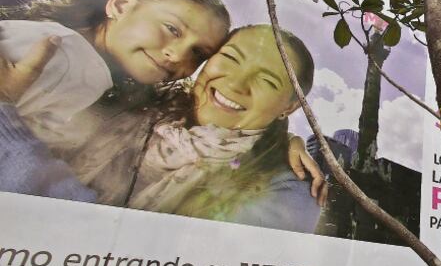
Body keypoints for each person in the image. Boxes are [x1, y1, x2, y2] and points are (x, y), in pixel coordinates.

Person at [0, 25, 324, 233]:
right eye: (230, 58)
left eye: (267, 81)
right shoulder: (140, 108)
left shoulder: (287, 189)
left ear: (289, 107)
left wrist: (5, 119)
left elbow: (90, 245)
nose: (237, 83)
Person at [0, 0, 230, 148]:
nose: (178, 55)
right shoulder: (57, 54)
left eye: (198, 53)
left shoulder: (86, 69)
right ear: (121, 5)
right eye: (172, 29)